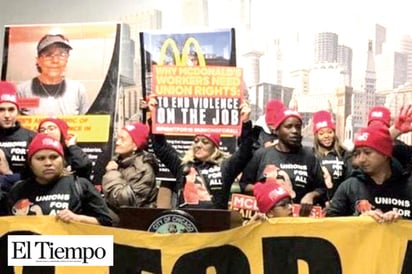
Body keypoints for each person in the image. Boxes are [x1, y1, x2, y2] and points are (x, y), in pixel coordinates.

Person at [149, 99, 254, 209]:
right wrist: (154, 117)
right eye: (196, 141)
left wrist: (245, 123)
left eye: (205, 142)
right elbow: (160, 147)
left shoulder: (225, 166)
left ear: (215, 147)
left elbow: (245, 152)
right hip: (187, 221)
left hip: (216, 223)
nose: (198, 145)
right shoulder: (183, 164)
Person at [7, 133, 112, 225]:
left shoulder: (80, 185)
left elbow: (107, 221)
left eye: (54, 157)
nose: (48, 163)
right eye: (40, 158)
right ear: (30, 164)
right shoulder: (18, 189)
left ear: (63, 161)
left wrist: (78, 218)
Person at [239, 107, 326, 210]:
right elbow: (244, 185)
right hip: (268, 218)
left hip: (300, 219)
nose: (295, 131)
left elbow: (321, 189)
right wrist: (263, 190)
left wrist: (311, 195)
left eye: (298, 127)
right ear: (277, 130)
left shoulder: (309, 157)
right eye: (288, 126)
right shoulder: (261, 155)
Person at [326, 126, 412, 222]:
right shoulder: (350, 187)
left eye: (367, 153)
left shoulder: (408, 186)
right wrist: (358, 221)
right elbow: (328, 225)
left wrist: (402, 223)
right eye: (357, 153)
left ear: (384, 154)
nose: (361, 159)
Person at [17, 33, 89, 115]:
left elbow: (87, 123)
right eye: (48, 55)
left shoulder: (78, 90)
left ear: (67, 59)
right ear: (38, 60)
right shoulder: (22, 91)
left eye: (62, 54)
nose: (55, 60)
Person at [102, 122, 158, 208]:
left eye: (122, 139)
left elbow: (124, 202)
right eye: (118, 138)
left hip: (133, 218)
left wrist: (112, 172)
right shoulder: (118, 162)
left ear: (135, 146)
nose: (117, 142)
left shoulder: (143, 169)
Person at [311, 110, 353, 201]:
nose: (326, 136)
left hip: (339, 205)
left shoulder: (344, 154)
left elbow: (349, 182)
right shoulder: (311, 155)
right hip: (316, 206)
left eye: (330, 132)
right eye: (321, 133)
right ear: (316, 136)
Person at [0, 81, 36, 181]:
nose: (7, 115)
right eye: (1, 110)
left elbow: (39, 174)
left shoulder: (32, 137)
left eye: (11, 109)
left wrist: (8, 174)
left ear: (18, 112)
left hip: (24, 192)